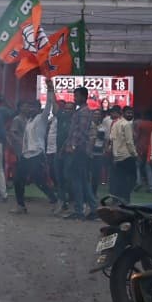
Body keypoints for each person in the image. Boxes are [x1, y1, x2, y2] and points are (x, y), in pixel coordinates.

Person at [12, 100, 59, 214]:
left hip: (37, 154)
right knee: (18, 180)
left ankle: (54, 200)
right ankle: (20, 205)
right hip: (26, 154)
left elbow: (48, 106)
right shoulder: (29, 121)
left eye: (33, 107)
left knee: (39, 181)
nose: (30, 109)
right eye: (29, 107)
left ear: (38, 109)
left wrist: (50, 90)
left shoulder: (41, 118)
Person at [62, 87, 99, 220]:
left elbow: (82, 132)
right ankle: (93, 209)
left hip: (79, 151)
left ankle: (80, 210)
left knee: (77, 180)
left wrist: (72, 145)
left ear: (84, 96)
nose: (74, 98)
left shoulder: (83, 112)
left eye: (76, 96)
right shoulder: (82, 111)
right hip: (80, 150)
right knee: (82, 180)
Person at [109, 106, 138, 201]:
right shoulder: (126, 124)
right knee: (131, 179)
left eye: (131, 113)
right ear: (123, 113)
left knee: (120, 180)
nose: (130, 114)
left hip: (118, 156)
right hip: (127, 156)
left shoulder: (116, 123)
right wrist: (134, 154)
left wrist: (114, 155)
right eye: (128, 113)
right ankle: (125, 199)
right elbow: (129, 142)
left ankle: (118, 199)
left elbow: (112, 140)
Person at [133, 111, 152, 192]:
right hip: (150, 147)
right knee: (148, 167)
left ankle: (139, 181)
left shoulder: (141, 124)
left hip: (140, 146)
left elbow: (137, 136)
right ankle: (151, 186)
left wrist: (135, 144)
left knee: (137, 166)